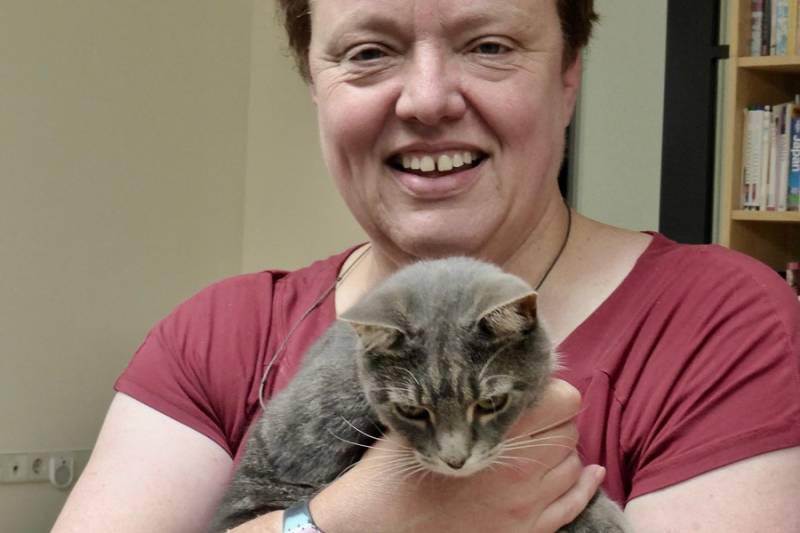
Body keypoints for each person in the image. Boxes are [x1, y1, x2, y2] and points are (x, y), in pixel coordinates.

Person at [53, 0, 800, 531]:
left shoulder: (720, 324)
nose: (427, 100)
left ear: (569, 74)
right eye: (368, 52)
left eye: (489, 45)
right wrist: (342, 522)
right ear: (314, 83)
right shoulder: (219, 335)